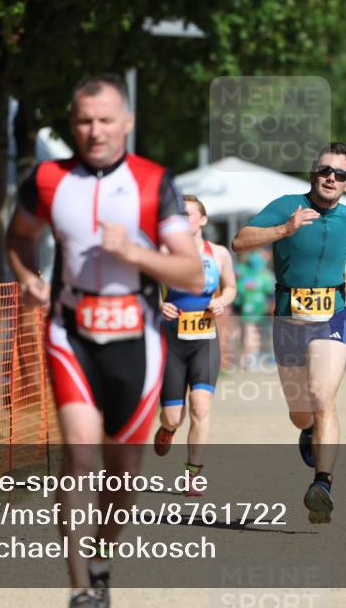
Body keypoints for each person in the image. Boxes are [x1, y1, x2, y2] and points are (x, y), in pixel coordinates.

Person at [5, 73, 203, 608]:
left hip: (136, 338)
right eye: (85, 121)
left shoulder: (153, 182)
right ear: (73, 124)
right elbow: (18, 237)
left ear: (127, 123)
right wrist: (27, 279)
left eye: (105, 120)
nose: (95, 131)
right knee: (79, 455)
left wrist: (136, 254)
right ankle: (78, 589)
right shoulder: (46, 179)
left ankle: (99, 558)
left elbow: (189, 273)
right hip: (71, 334)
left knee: (123, 477)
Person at [232, 142, 346, 524]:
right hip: (289, 322)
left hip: (332, 318)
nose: (331, 178)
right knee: (300, 414)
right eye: (325, 171)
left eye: (339, 174)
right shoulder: (286, 205)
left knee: (324, 398)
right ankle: (308, 430)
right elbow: (240, 241)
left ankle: (322, 485)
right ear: (313, 174)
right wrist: (284, 229)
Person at [154, 195, 237, 495]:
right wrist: (159, 304)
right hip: (172, 341)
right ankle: (167, 428)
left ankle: (193, 473)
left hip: (205, 341)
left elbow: (230, 288)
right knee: (173, 416)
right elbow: (145, 289)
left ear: (202, 220)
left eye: (188, 214)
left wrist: (221, 302)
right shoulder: (163, 253)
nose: (182, 219)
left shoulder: (219, 254)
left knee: (200, 408)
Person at [233, 250, 274, 368]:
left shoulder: (243, 270)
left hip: (251, 306)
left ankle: (250, 358)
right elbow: (270, 291)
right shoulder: (263, 274)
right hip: (254, 305)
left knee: (250, 331)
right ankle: (250, 358)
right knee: (251, 332)